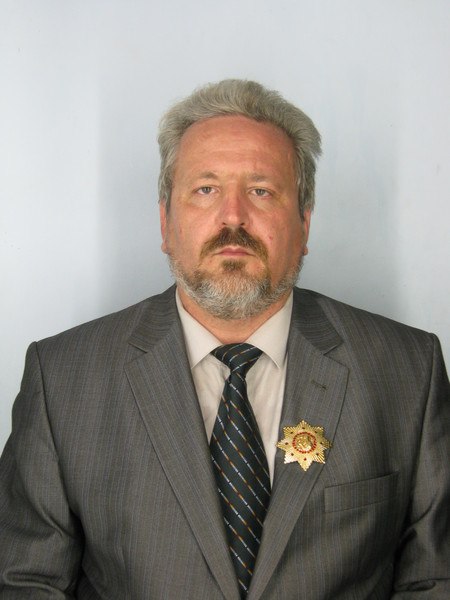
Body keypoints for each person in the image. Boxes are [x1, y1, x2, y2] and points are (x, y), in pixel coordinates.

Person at [0, 79, 448, 600]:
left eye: (261, 191)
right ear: (165, 221)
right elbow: (26, 582)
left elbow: (435, 580)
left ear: (304, 224)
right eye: (205, 189)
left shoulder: (408, 372)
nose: (233, 216)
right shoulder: (62, 379)